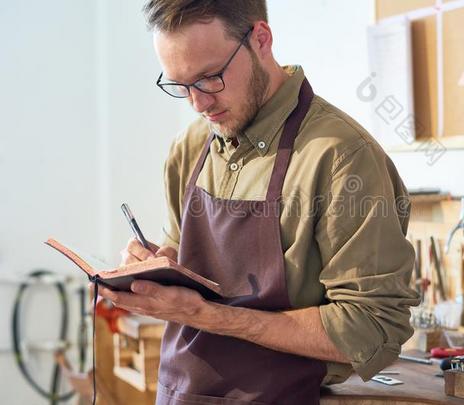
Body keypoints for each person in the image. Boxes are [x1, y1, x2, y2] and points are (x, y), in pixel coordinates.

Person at [97, 1, 419, 403]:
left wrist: (207, 316)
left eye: (210, 78)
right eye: (181, 86)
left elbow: (373, 329)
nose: (198, 104)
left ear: (261, 40)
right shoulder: (191, 147)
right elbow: (184, 252)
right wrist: (158, 267)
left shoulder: (340, 158)